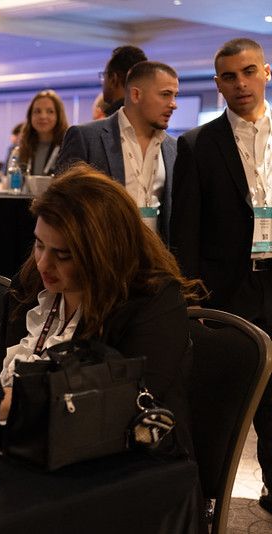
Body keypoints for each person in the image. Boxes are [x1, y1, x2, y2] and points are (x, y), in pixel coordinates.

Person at [0, 164, 200, 456]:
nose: (42, 264)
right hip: (27, 449)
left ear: (103, 254)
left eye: (63, 255)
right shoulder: (32, 282)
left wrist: (20, 400)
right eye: (39, 245)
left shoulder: (153, 300)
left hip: (130, 467)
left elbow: (126, 397)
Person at [170, 37, 272, 513]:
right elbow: (185, 231)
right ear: (218, 84)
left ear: (266, 72)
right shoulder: (198, 144)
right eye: (229, 76)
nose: (241, 83)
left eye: (248, 71)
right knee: (225, 399)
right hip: (229, 289)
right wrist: (195, 305)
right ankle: (209, 498)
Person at [57, 61, 179, 240]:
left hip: (156, 258)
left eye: (175, 95)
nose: (174, 104)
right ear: (136, 94)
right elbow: (63, 206)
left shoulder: (173, 148)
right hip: (103, 254)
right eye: (166, 95)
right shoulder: (86, 137)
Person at [12, 90, 69, 176]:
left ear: (59, 116)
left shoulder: (67, 148)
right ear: (30, 116)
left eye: (50, 111)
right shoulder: (22, 150)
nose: (43, 116)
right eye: (37, 111)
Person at [101, 45, 148, 117]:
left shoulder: (109, 122)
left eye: (104, 76)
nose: (103, 82)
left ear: (113, 79)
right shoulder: (148, 118)